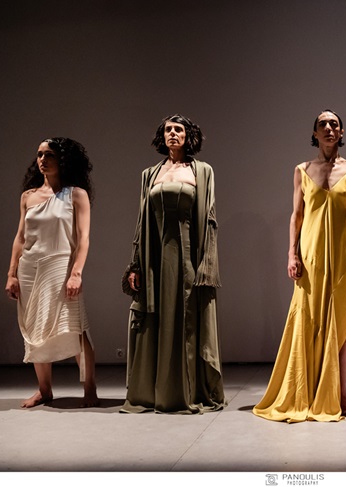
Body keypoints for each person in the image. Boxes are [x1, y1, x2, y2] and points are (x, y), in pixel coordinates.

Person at [253, 109, 346, 423]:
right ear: (315, 134)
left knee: (341, 322)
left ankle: (340, 394)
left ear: (341, 132)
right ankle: (303, 391)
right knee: (307, 319)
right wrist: (291, 254)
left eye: (334, 124)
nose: (329, 128)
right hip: (311, 255)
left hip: (343, 254)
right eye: (322, 124)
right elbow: (297, 215)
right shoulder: (302, 170)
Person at [121, 114, 225, 414]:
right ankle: (151, 392)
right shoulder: (149, 174)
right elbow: (141, 222)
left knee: (186, 316)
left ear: (188, 136)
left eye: (179, 129)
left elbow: (210, 219)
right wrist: (136, 264)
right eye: (168, 129)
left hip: (188, 255)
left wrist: (207, 264)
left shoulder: (202, 171)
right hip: (154, 257)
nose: (173, 134)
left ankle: (186, 390)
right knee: (155, 317)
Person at [5, 137, 99, 408]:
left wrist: (76, 273)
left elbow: (83, 238)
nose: (42, 160)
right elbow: (20, 237)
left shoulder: (76, 194)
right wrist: (11, 273)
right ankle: (44, 391)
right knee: (35, 329)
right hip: (29, 268)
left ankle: (90, 389)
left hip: (60, 267)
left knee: (76, 327)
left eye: (49, 155)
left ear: (63, 160)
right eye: (39, 154)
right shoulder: (28, 196)